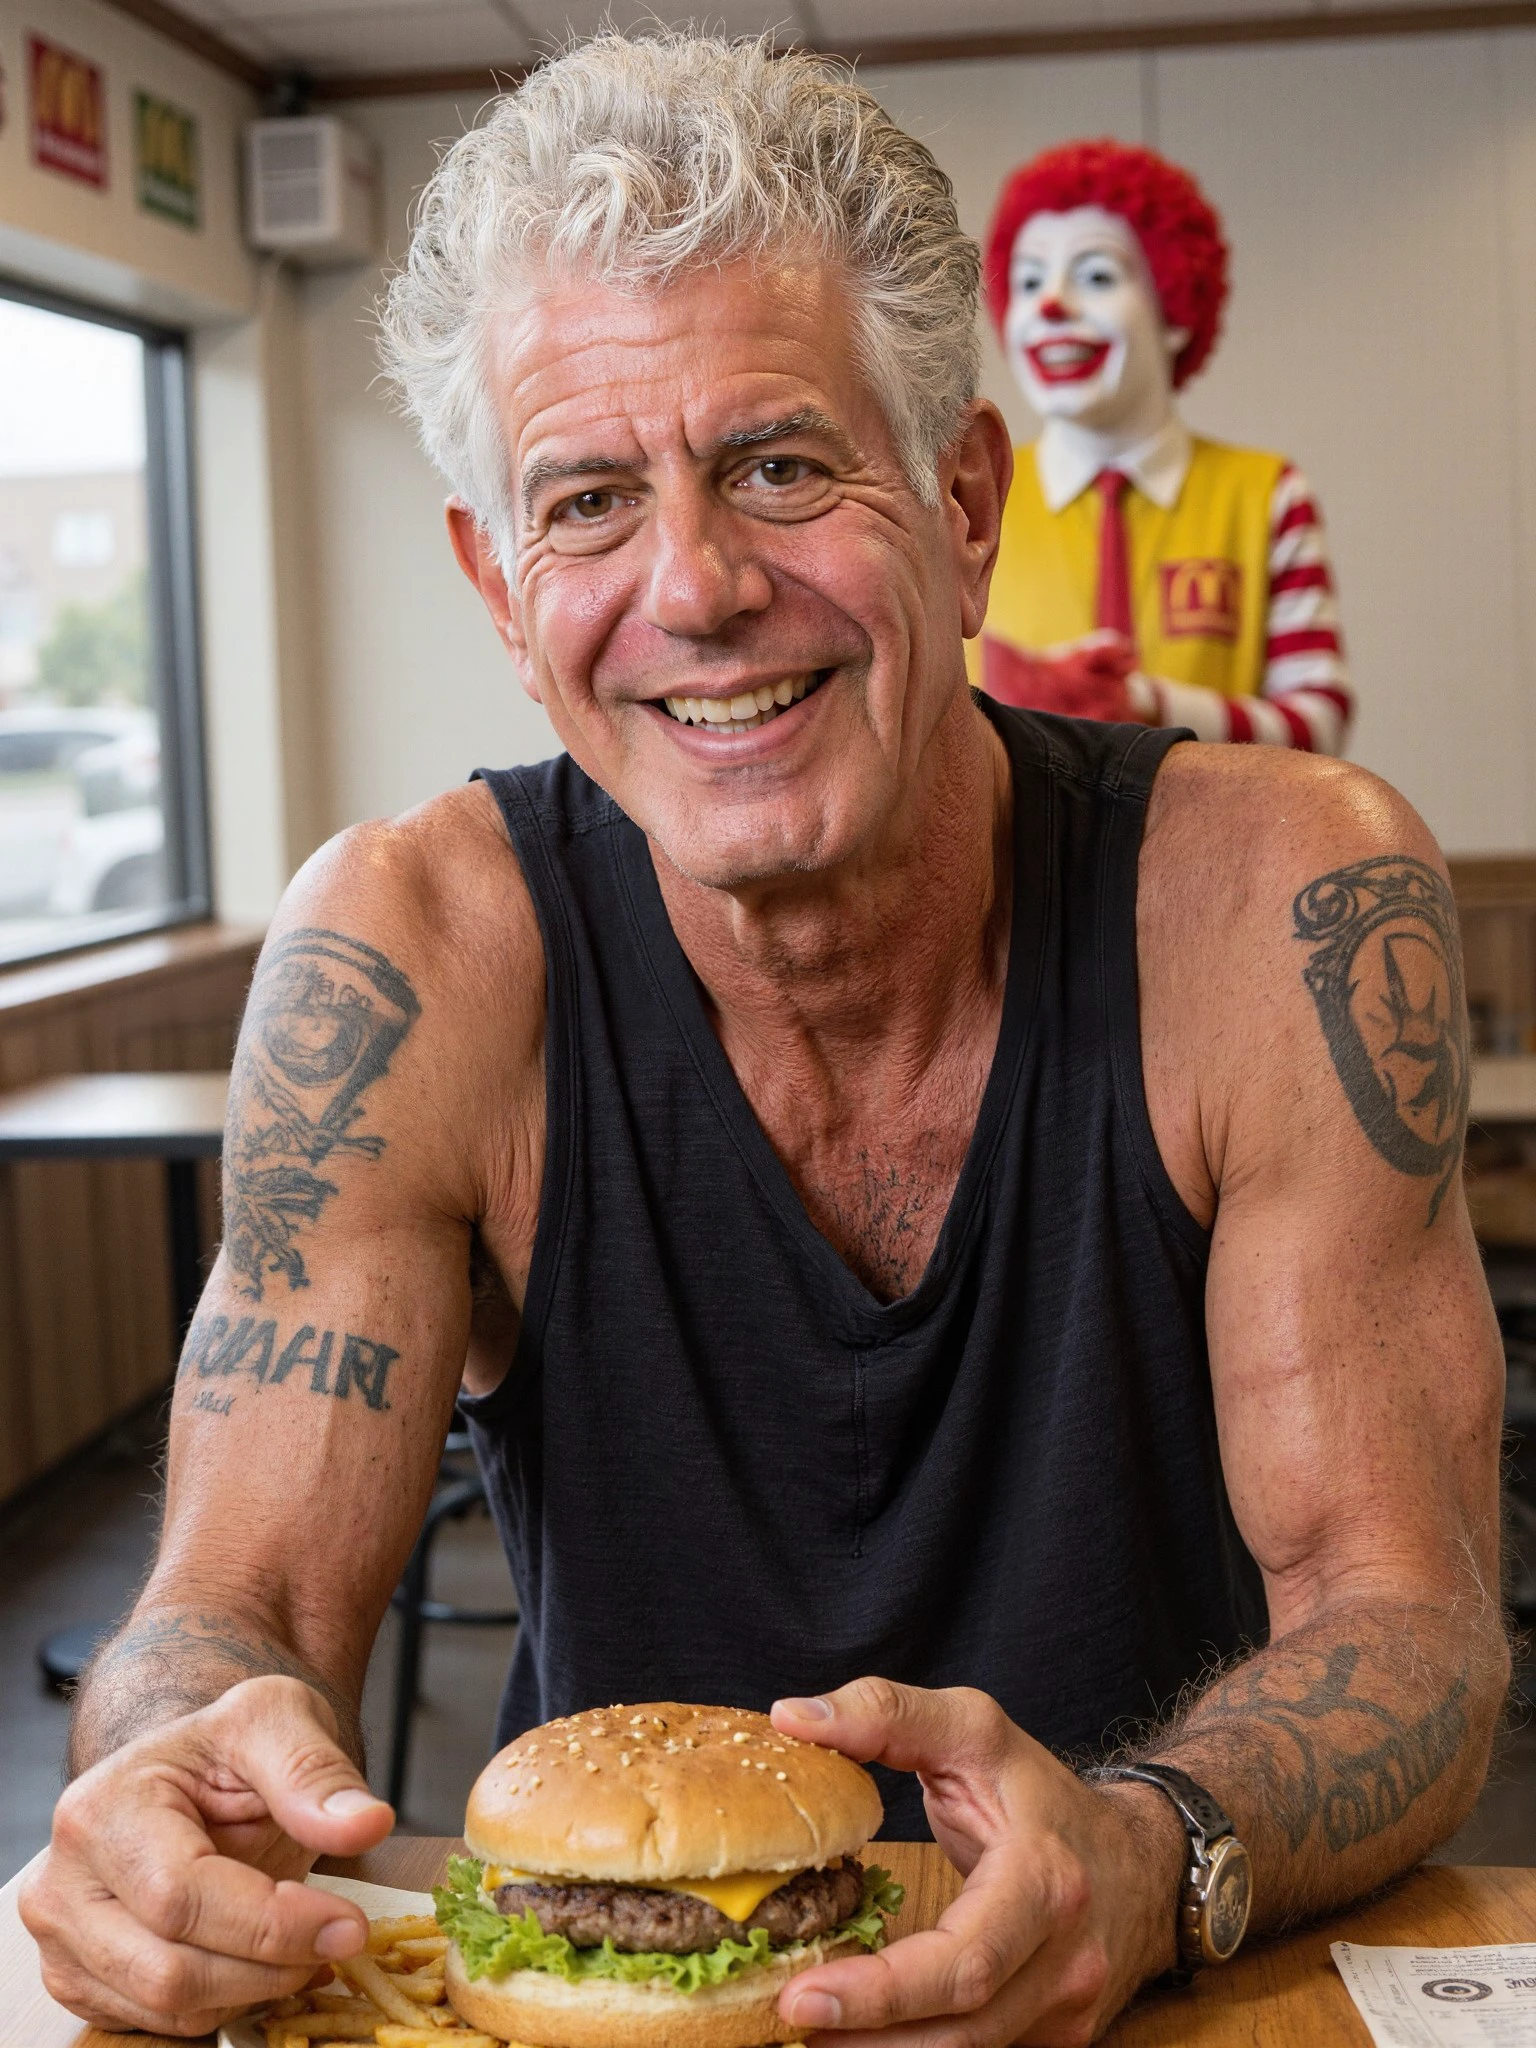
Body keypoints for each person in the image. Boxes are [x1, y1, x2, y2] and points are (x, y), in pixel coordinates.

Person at [22, 32, 1504, 2047]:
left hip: (1163, 1986)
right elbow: (235, 1610)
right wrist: (170, 1764)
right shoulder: (418, 950)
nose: (698, 588)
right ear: (495, 580)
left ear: (962, 499)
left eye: (783, 464)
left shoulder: (1274, 903)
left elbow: (1401, 1618)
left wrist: (1150, 1852)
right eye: (588, 500)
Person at [978, 140, 1355, 753]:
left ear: (1175, 309)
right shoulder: (966, 499)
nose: (1050, 306)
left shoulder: (1268, 496)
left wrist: (1153, 706)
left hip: (1225, 845)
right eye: (1028, 281)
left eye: (1096, 275)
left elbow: (1321, 724)